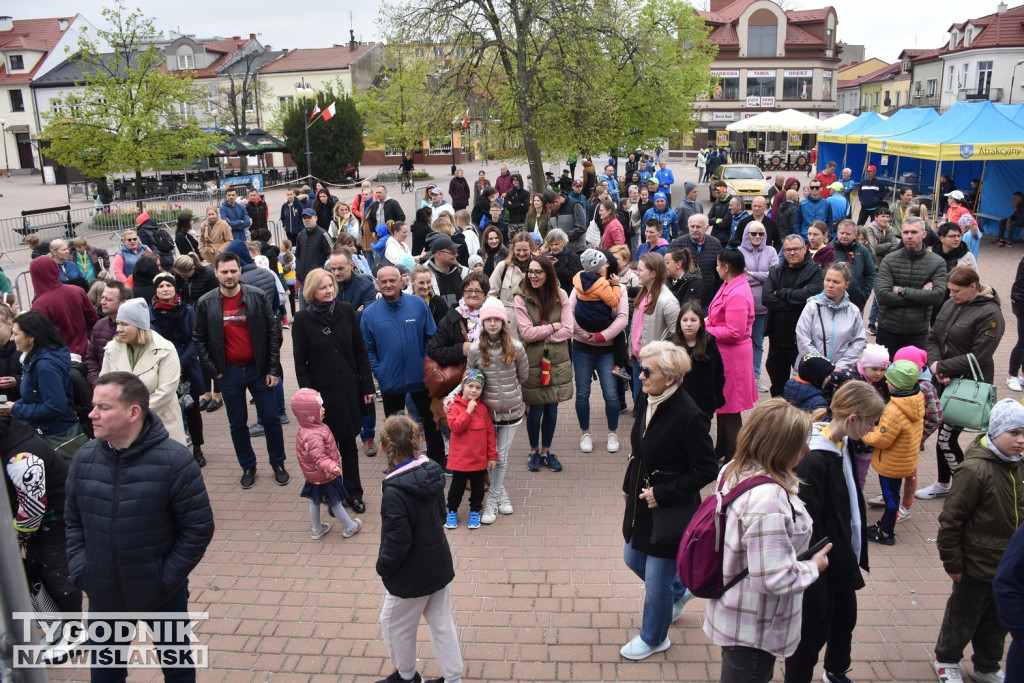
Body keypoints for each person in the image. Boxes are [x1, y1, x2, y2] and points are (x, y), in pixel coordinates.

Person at [64, 371, 214, 682]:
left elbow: (198, 529)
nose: (91, 414)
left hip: (162, 594)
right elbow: (74, 522)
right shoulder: (84, 459)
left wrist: (165, 578)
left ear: (133, 412)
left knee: (178, 670)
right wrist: (83, 570)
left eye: (103, 407)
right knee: (105, 675)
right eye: (94, 406)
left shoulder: (175, 461)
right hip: (103, 593)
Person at [703, 398, 831, 683]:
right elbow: (772, 579)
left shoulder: (734, 468)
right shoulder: (769, 502)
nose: (807, 451)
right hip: (755, 628)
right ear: (781, 449)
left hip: (734, 607)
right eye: (801, 445)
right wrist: (814, 566)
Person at [620, 340, 717, 660]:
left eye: (647, 371)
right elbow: (639, 450)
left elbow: (706, 469)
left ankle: (654, 637)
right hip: (642, 502)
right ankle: (678, 591)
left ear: (670, 378)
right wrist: (627, 484)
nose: (640, 375)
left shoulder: (690, 416)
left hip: (669, 509)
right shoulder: (648, 398)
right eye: (640, 368)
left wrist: (664, 493)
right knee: (633, 558)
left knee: (656, 580)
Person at [786, 381, 886, 683]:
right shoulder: (815, 458)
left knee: (845, 619)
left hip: (841, 554)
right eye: (872, 422)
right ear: (854, 419)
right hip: (823, 561)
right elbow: (807, 522)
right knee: (813, 629)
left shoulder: (844, 443)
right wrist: (817, 566)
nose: (873, 429)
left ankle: (836, 670)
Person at [932, 399, 1024, 683]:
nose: (1021, 441)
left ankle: (986, 664)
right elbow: (951, 520)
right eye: (1014, 433)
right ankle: (946, 659)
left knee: (997, 621)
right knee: (962, 615)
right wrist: (953, 561)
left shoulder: (1018, 467)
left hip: (1007, 567)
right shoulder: (974, 470)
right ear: (995, 432)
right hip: (974, 563)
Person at [375, 414, 463, 683]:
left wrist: (384, 567)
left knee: (393, 625)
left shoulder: (393, 491)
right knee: (441, 623)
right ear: (418, 440)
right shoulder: (433, 472)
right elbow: (439, 514)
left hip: (410, 576)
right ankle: (453, 678)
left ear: (385, 448)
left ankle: (406, 677)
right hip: (438, 565)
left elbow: (397, 541)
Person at [194, 251, 287, 490]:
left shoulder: (256, 296)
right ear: (216, 273)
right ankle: (248, 465)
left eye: (233, 271)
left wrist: (273, 368)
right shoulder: (206, 302)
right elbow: (200, 339)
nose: (229, 275)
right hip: (229, 373)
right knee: (237, 423)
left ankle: (278, 463)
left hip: (259, 370)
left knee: (271, 418)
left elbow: (272, 332)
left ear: (240, 271)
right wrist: (215, 371)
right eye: (224, 271)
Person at [916, 266, 1004, 503]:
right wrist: (936, 366)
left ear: (973, 287)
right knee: (945, 437)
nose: (951, 295)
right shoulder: (951, 303)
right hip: (943, 380)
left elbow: (980, 355)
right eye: (950, 291)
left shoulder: (990, 314)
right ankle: (945, 484)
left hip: (967, 386)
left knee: (945, 438)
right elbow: (933, 337)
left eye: (956, 291)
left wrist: (944, 368)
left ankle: (965, 489)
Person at [2, 415, 83, 657]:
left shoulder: (21, 458)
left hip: (55, 521)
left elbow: (32, 509)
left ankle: (75, 635)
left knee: (60, 578)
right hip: (42, 524)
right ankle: (59, 630)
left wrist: (14, 540)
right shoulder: (10, 437)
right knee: (44, 575)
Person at [361, 266, 445, 465]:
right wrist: (380, 371)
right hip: (390, 380)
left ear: (401, 282)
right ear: (378, 285)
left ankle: (438, 459)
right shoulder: (370, 313)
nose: (388, 285)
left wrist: (424, 363)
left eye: (392, 280)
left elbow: (431, 337)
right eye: (384, 282)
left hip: (420, 378)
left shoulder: (418, 305)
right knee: (393, 426)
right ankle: (398, 461)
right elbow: (368, 348)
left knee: (430, 418)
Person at [465, 298, 527, 525]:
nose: (492, 323)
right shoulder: (474, 349)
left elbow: (523, 376)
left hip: (512, 411)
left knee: (501, 457)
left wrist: (510, 394)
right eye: (488, 319)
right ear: (482, 322)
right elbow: (469, 379)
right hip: (486, 413)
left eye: (496, 319)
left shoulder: (517, 347)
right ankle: (501, 494)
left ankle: (492, 500)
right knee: (488, 457)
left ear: (503, 321)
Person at [100, 296, 187, 447]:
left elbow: (166, 392)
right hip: (122, 426)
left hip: (160, 423)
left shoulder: (165, 349)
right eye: (118, 323)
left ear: (139, 325)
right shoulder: (111, 349)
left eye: (125, 324)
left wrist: (132, 415)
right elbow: (104, 386)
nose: (118, 329)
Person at [514, 255, 573, 472]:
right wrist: (552, 327)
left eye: (538, 271)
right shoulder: (521, 297)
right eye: (530, 271)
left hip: (557, 360)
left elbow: (569, 329)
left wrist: (546, 334)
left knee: (552, 407)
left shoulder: (561, 294)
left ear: (548, 273)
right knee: (535, 408)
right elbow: (527, 333)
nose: (533, 276)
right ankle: (533, 451)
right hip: (534, 360)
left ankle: (546, 450)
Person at [861, 360, 925, 546]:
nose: (886, 383)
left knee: (891, 498)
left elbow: (882, 439)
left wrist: (865, 434)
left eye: (889, 380)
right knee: (893, 495)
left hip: (891, 463)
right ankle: (885, 526)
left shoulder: (894, 410)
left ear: (896, 385)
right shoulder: (916, 399)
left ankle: (886, 533)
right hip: (905, 458)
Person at [569, 249, 627, 454]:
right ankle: (585, 433)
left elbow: (622, 317)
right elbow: (569, 311)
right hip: (582, 347)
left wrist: (602, 336)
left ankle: (612, 433)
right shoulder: (578, 288)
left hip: (608, 349)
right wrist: (584, 334)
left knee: (611, 395)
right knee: (582, 392)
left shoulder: (618, 287)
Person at [705, 244, 756, 463]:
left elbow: (734, 332)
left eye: (718, 265)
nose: (716, 268)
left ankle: (734, 458)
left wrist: (705, 329)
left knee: (732, 409)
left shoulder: (738, 293)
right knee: (724, 406)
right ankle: (722, 449)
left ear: (725, 267)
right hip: (725, 354)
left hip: (733, 357)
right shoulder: (730, 284)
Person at [290, 387, 363, 540]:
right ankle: (350, 526)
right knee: (336, 503)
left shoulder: (307, 428)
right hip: (325, 476)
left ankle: (317, 529)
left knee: (315, 502)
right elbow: (319, 458)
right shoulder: (314, 435)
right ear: (308, 414)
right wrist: (333, 467)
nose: (323, 409)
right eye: (319, 407)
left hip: (314, 476)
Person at [149, 275, 206, 466]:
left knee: (192, 410)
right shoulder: (150, 314)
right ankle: (173, 450)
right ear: (155, 290)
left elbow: (195, 339)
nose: (165, 289)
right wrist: (168, 365)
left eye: (169, 285)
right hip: (161, 368)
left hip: (186, 366)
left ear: (175, 289)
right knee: (167, 411)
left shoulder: (187, 310)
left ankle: (197, 448)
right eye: (161, 286)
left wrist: (179, 363)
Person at [9, 312, 83, 458]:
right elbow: (34, 397)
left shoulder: (44, 366)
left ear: (31, 337)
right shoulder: (36, 360)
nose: (12, 339)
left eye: (16, 334)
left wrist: (16, 408)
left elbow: (55, 406)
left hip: (57, 434)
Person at [874, 217, 947, 357]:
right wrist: (921, 295)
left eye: (914, 232)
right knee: (883, 375)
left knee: (916, 375)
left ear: (924, 234)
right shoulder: (889, 260)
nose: (909, 236)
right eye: (905, 232)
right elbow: (883, 296)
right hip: (888, 330)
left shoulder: (937, 262)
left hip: (917, 333)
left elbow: (937, 297)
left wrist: (901, 290)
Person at [763, 235, 825, 397]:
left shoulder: (815, 271)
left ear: (805, 249)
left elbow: (810, 296)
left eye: (796, 249)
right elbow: (767, 298)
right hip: (777, 338)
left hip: (803, 340)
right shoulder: (776, 270)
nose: (791, 253)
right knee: (778, 386)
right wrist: (795, 299)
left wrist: (781, 293)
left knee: (803, 384)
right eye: (788, 249)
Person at [442, 369, 498, 531]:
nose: (474, 390)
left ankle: (475, 511)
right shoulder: (453, 406)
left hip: (478, 460)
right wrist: (468, 411)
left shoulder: (483, 409)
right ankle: (452, 511)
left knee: (478, 488)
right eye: (470, 386)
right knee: (456, 488)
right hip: (460, 460)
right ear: (463, 386)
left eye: (478, 387)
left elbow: (490, 434)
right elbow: (456, 427)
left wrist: (492, 457)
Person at [796, 262, 866, 370]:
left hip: (839, 373)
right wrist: (821, 366)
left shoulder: (854, 311)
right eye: (827, 280)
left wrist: (840, 367)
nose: (830, 285)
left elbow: (858, 341)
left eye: (836, 282)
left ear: (846, 285)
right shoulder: (812, 307)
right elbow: (803, 338)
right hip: (811, 370)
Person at [173, 256, 221, 410]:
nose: (182, 277)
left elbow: (216, 297)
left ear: (192, 269)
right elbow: (181, 296)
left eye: (184, 274)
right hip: (192, 320)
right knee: (201, 357)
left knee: (213, 356)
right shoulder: (180, 277)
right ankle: (206, 393)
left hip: (209, 319)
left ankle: (217, 394)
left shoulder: (207, 274)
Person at [27, 256, 98, 359]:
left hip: (59, 358)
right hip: (84, 351)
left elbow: (41, 337)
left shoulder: (39, 305)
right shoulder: (77, 291)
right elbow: (93, 318)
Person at [740, 222, 777, 391]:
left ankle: (755, 376)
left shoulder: (771, 251)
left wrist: (751, 274)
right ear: (747, 233)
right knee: (741, 343)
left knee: (758, 343)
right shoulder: (739, 252)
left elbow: (774, 276)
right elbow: (738, 277)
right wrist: (763, 277)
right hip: (742, 308)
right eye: (753, 233)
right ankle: (742, 376)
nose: (757, 237)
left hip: (762, 307)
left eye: (761, 234)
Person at [673, 300, 725, 419]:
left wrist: (715, 399)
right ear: (679, 322)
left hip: (703, 403)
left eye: (693, 320)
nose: (689, 324)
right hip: (678, 403)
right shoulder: (671, 345)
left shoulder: (709, 345)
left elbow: (718, 374)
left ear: (701, 322)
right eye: (685, 320)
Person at [672, 213, 723, 311]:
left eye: (698, 227)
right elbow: (669, 272)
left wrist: (717, 296)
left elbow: (718, 274)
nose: (694, 229)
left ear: (706, 228)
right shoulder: (677, 244)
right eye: (692, 226)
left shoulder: (715, 244)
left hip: (707, 301)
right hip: (682, 301)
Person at [830, 219, 877, 311]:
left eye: (848, 234)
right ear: (837, 232)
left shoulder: (863, 251)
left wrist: (863, 295)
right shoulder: (828, 249)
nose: (844, 236)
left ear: (855, 235)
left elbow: (870, 273)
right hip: (831, 301)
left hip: (855, 303)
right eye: (842, 233)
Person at [295, 208, 333, 310]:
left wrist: (321, 272)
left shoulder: (323, 234)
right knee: (303, 311)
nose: (307, 220)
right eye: (304, 218)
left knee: (319, 310)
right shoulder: (300, 235)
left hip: (318, 281)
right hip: (304, 281)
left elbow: (332, 256)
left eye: (309, 217)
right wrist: (298, 271)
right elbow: (298, 256)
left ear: (315, 218)